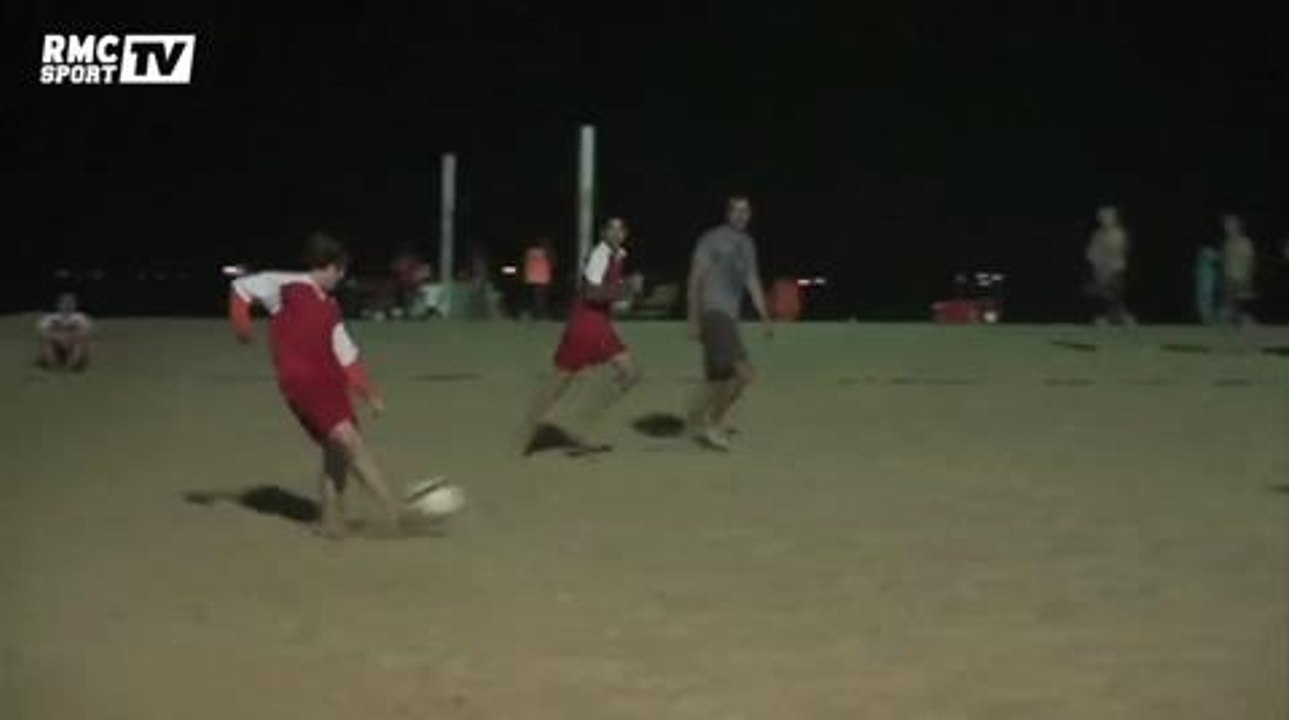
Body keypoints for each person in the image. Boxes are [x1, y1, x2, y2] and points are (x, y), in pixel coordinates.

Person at [228, 233, 406, 539]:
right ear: (331, 267)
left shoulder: (331, 308)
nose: (341, 278)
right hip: (303, 383)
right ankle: (395, 509)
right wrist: (242, 326)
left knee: (335, 452)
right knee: (351, 443)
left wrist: (370, 394)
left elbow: (347, 356)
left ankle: (329, 520)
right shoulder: (287, 285)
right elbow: (240, 288)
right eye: (341, 271)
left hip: (331, 384)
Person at [521, 217, 640, 453]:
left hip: (592, 322)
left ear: (625, 234)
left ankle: (537, 429)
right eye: (611, 229)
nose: (616, 233)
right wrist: (626, 288)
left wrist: (621, 299)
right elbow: (591, 293)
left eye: (620, 229)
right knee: (626, 374)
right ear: (603, 232)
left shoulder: (618, 256)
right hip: (588, 324)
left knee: (562, 380)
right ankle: (573, 427)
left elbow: (606, 295)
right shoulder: (600, 254)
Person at [685, 196, 772, 451]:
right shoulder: (711, 239)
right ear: (727, 213)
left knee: (717, 380)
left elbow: (752, 280)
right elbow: (695, 278)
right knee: (744, 374)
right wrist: (693, 318)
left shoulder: (747, 243)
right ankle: (713, 424)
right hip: (714, 313)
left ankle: (700, 422)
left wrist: (765, 315)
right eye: (736, 210)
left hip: (729, 318)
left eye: (746, 211)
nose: (741, 215)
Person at [1085, 204, 1135, 326]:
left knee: (1115, 294)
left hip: (1115, 269)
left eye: (1108, 217)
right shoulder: (1097, 235)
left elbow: (1120, 251)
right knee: (1104, 296)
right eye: (1102, 217)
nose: (1105, 219)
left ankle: (1122, 317)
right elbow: (1092, 254)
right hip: (1101, 270)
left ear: (1114, 218)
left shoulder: (1119, 233)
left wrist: (1110, 266)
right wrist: (1097, 269)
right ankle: (1109, 317)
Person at [37, 292, 92, 372]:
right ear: (58, 304)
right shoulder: (50, 318)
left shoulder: (80, 317)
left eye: (70, 303)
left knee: (80, 341)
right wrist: (59, 338)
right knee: (46, 341)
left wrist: (68, 338)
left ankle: (70, 367)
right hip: (56, 347)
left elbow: (84, 333)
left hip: (73, 346)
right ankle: (53, 367)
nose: (67, 305)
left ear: (75, 305)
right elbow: (43, 333)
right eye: (64, 303)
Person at [1220, 214, 1257, 326]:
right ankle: (1230, 322)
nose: (1228, 227)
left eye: (1231, 224)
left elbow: (1250, 259)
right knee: (1230, 302)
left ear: (1238, 226)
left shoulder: (1245, 242)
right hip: (1229, 277)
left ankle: (1246, 321)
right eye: (1227, 225)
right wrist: (1225, 274)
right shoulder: (1227, 243)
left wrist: (1248, 275)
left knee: (1243, 301)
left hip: (1242, 276)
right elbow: (1225, 261)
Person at [523, 239, 554, 319]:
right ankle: (540, 313)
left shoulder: (530, 252)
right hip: (543, 278)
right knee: (542, 298)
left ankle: (537, 313)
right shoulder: (547, 252)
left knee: (536, 297)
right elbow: (552, 262)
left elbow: (526, 262)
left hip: (533, 277)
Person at [1196, 242, 1222, 326]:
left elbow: (1218, 258)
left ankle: (1211, 318)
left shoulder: (1211, 264)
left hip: (1209, 281)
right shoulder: (1202, 264)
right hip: (1205, 281)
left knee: (1209, 299)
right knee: (1205, 299)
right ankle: (1207, 319)